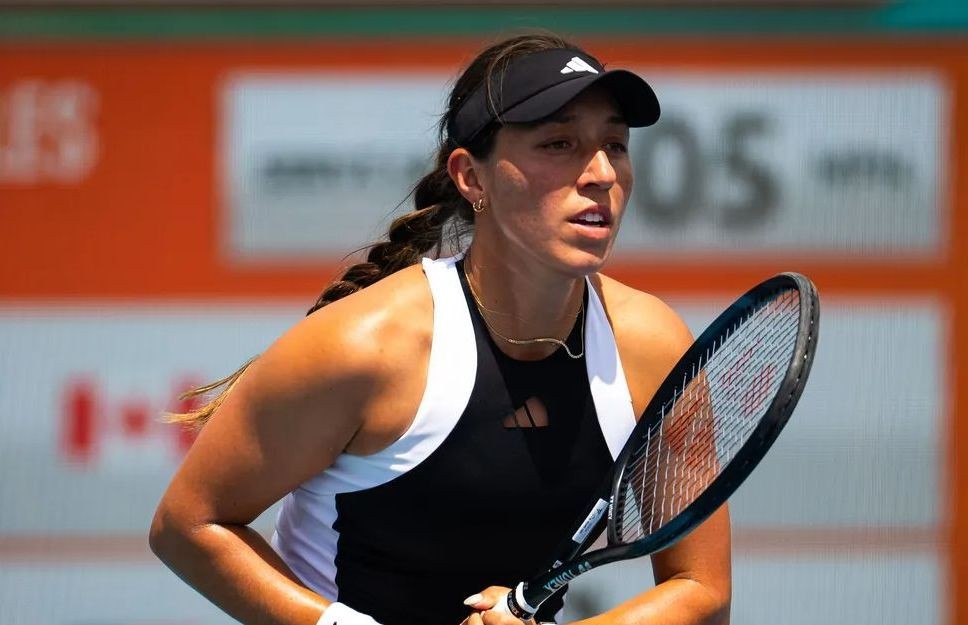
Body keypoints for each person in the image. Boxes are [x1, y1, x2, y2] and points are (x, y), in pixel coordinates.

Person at [149, 32, 731, 625]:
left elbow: (701, 590)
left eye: (615, 144)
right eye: (559, 143)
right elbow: (188, 525)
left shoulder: (652, 347)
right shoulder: (364, 347)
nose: (601, 173)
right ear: (471, 177)